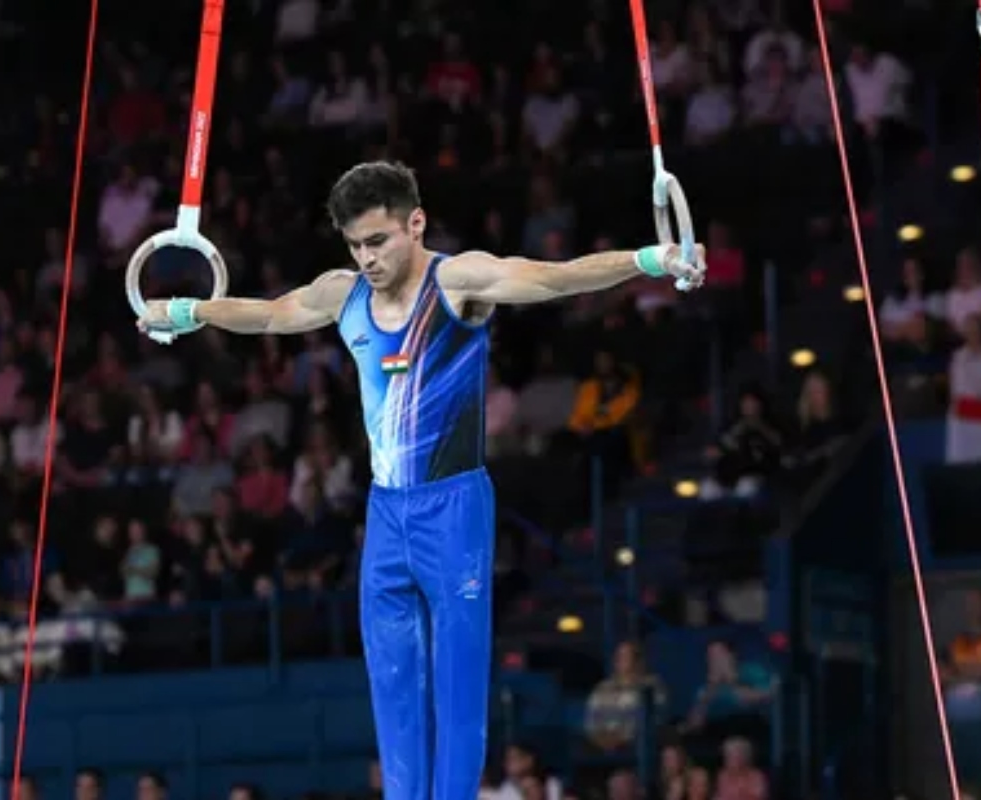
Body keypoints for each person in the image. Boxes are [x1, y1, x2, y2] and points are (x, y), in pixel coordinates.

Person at [137, 161, 705, 799]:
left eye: (378, 241)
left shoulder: (456, 281)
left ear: (415, 223)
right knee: (393, 683)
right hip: (386, 514)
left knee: (457, 685)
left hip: (453, 508)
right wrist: (188, 310)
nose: (367, 258)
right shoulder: (342, 292)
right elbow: (268, 315)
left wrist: (653, 260)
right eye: (355, 245)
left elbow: (555, 279)